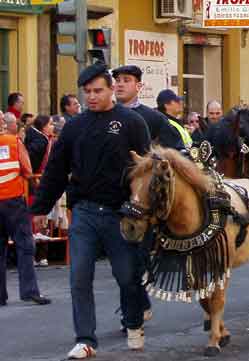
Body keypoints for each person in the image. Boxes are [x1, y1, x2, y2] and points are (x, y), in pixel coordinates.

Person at [30, 63, 151, 359]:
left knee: (126, 276)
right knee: (79, 276)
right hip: (83, 212)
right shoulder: (74, 126)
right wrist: (40, 208)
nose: (93, 97)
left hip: (119, 213)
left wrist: (142, 209)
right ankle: (86, 340)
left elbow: (147, 169)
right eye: (87, 92)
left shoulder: (131, 122)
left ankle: (134, 322)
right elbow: (56, 170)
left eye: (98, 91)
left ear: (111, 90)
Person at [0, 110, 50, 308]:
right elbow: (27, 170)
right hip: (13, 201)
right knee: (25, 246)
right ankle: (29, 292)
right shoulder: (13, 142)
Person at [112, 65, 186, 151]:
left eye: (126, 80)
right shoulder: (106, 114)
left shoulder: (154, 117)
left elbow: (176, 150)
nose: (120, 84)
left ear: (138, 86)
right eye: (117, 81)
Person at [25, 115, 54, 267]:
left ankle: (40, 255)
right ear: (43, 126)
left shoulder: (39, 138)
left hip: (37, 183)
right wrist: (34, 178)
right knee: (36, 219)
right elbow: (30, 163)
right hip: (34, 183)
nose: (53, 127)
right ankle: (36, 255)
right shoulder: (40, 141)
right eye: (50, 124)